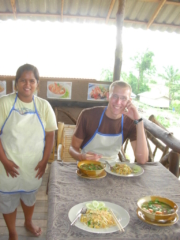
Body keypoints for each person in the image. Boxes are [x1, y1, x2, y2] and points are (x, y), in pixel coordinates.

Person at [0, 64, 58, 240]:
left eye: (32, 80)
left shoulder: (44, 106)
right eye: (23, 80)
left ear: (37, 84)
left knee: (29, 196)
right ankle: (12, 232)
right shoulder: (4, 103)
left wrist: (44, 160)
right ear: (16, 83)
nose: (27, 84)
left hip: (34, 164)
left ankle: (28, 222)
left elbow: (50, 134)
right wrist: (4, 161)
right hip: (7, 164)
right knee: (8, 201)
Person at [69, 80, 148, 164]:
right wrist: (81, 157)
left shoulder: (130, 122)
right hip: (87, 167)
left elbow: (142, 160)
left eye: (123, 98)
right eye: (115, 96)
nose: (118, 102)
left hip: (113, 169)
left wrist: (139, 122)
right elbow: (73, 148)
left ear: (129, 101)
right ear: (108, 96)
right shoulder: (88, 115)